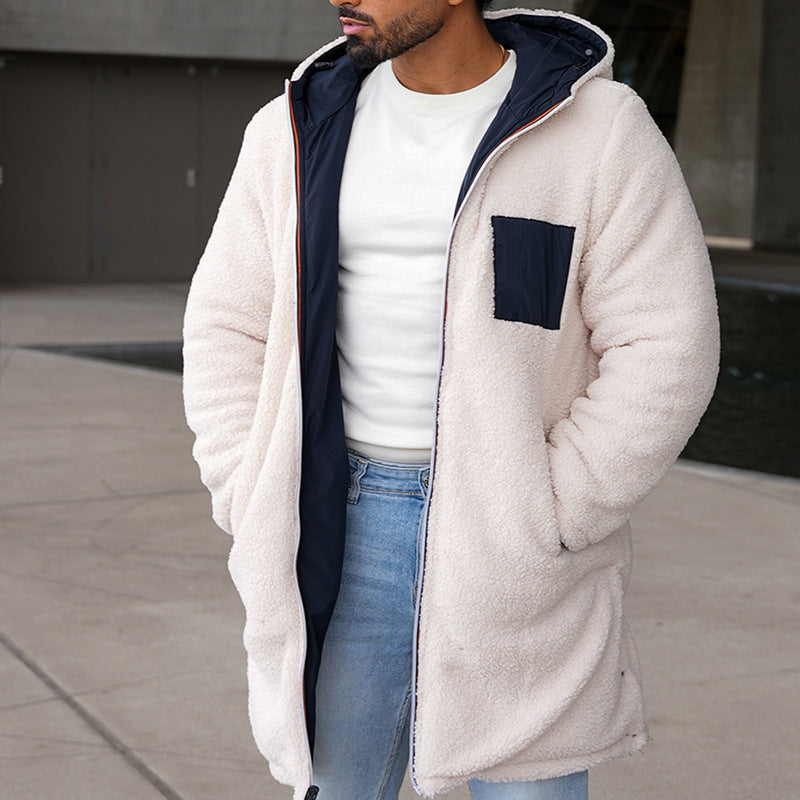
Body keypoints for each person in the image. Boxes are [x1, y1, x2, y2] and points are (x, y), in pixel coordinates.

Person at [182, 2, 720, 799]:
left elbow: (668, 344)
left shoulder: (596, 127)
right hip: (336, 529)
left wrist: (554, 508)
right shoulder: (294, 127)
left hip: (510, 539)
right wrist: (248, 485)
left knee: (527, 787)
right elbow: (227, 323)